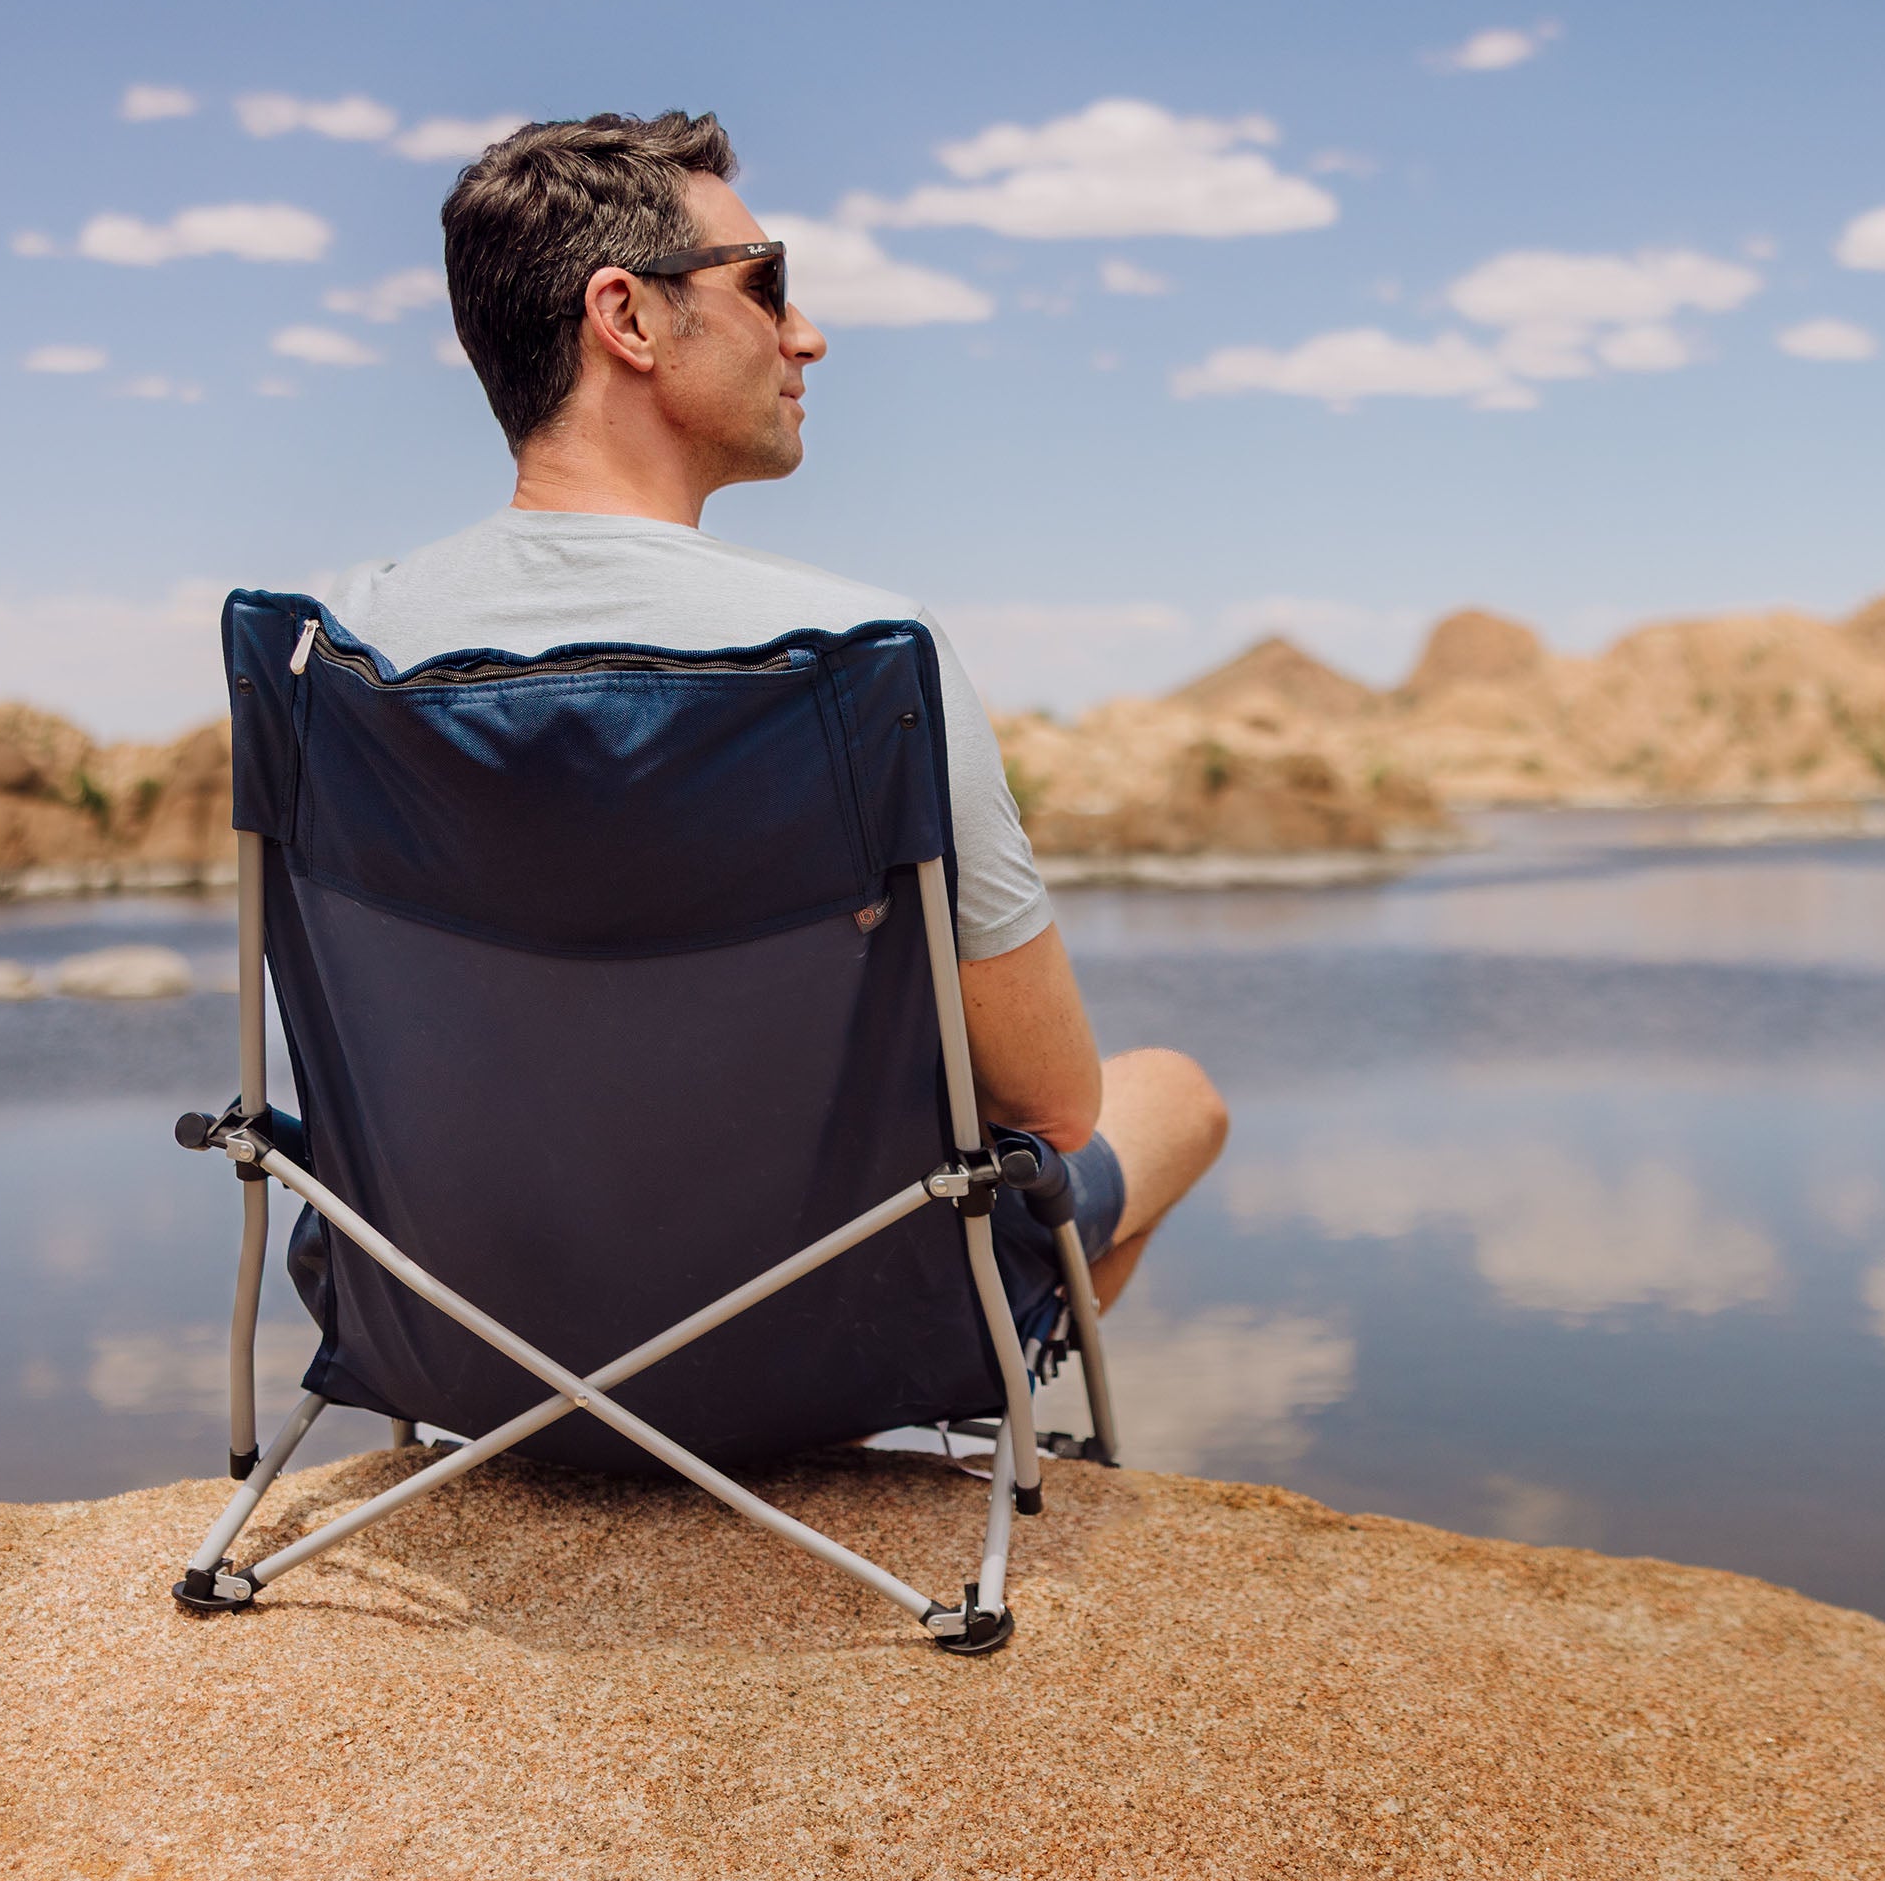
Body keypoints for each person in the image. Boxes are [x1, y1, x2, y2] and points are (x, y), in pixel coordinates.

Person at [326, 110, 1225, 1319]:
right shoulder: (864, 655)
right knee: (1172, 1095)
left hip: (447, 1322)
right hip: (826, 1336)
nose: (807, 334)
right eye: (766, 285)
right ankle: (970, 1415)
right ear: (628, 318)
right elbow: (1053, 1106)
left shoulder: (330, 654)